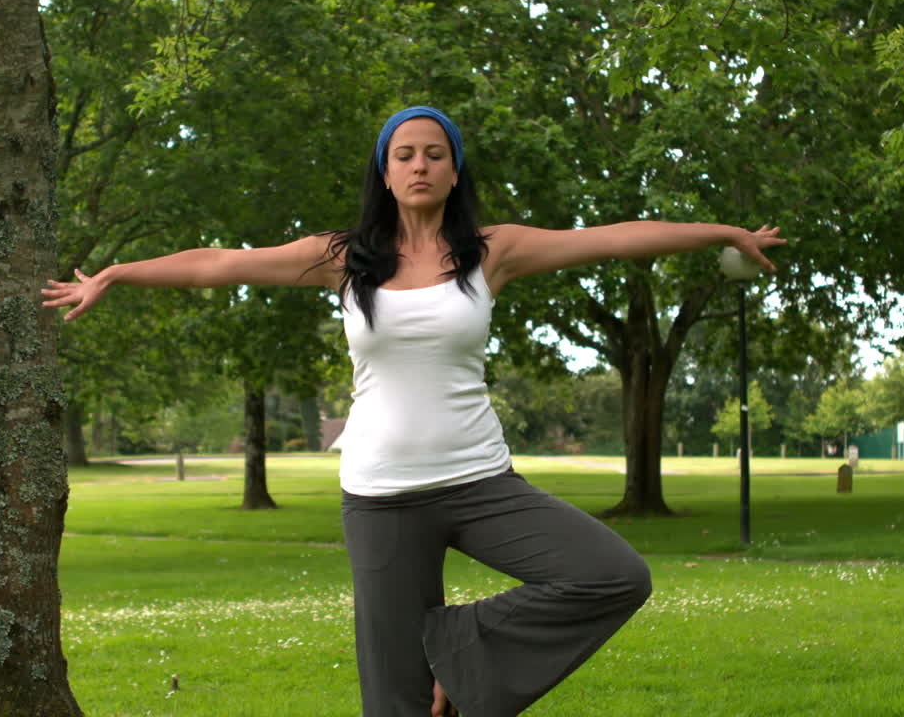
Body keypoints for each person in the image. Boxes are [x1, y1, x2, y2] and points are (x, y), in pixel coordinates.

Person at [42, 106, 784, 717]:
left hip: (481, 481)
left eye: (435, 153)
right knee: (395, 703)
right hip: (380, 496)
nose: (420, 165)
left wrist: (722, 233)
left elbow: (613, 239)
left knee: (612, 574)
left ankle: (463, 647)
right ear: (386, 172)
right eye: (404, 154)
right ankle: (445, 669)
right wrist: (115, 273)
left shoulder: (493, 252)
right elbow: (220, 261)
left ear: (455, 170)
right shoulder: (344, 257)